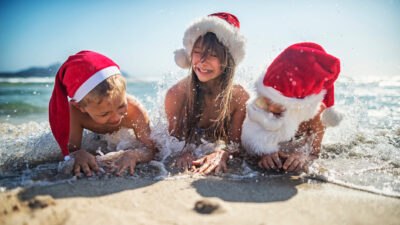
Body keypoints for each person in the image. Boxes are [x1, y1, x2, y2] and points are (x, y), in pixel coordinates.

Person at [165, 12, 249, 175]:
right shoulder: (177, 94)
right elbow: (170, 142)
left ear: (228, 59)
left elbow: (237, 146)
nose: (202, 61)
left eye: (213, 55)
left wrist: (222, 154)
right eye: (197, 51)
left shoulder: (239, 97)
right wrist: (183, 151)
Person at [49, 50, 157, 177]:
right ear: (80, 107)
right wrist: (78, 154)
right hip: (95, 136)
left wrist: (134, 154)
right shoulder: (74, 114)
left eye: (121, 106)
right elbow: (67, 152)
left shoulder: (134, 109)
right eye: (104, 114)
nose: (116, 117)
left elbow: (151, 149)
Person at [241, 42, 342, 172]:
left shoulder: (316, 116)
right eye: (267, 100)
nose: (269, 108)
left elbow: (314, 153)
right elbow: (244, 144)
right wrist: (263, 154)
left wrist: (303, 156)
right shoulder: (260, 103)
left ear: (299, 106)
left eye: (277, 104)